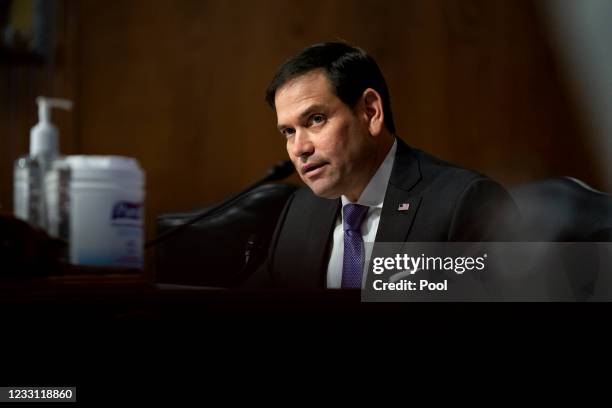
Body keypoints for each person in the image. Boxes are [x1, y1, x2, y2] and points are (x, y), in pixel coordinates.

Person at [254, 42, 519, 289]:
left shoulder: (464, 203)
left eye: (316, 119)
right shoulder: (299, 213)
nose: (300, 148)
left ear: (370, 112)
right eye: (288, 131)